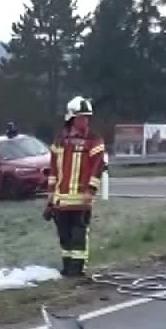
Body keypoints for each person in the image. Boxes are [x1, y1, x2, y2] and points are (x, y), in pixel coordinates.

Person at [45, 95, 109, 277]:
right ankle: (67, 268)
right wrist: (50, 194)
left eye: (88, 117)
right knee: (65, 237)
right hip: (61, 200)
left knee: (78, 236)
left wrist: (91, 191)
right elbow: (53, 168)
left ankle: (77, 270)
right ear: (72, 117)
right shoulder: (60, 139)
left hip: (82, 200)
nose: (85, 121)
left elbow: (98, 166)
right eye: (82, 117)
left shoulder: (94, 140)